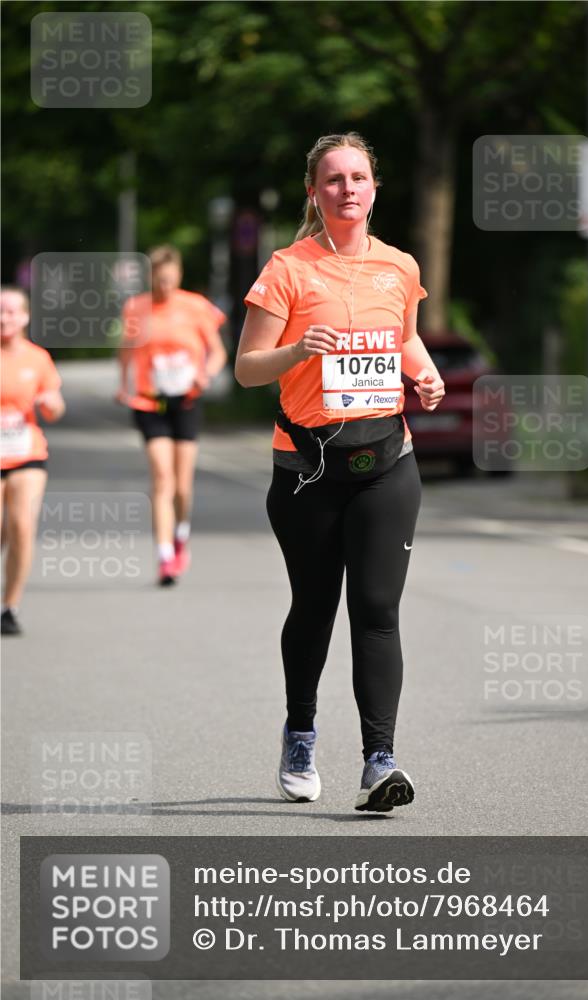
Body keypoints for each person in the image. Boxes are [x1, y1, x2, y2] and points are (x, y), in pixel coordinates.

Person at [236, 133, 445, 812]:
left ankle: (379, 761)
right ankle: (300, 734)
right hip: (307, 468)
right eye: (333, 179)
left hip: (387, 461)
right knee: (315, 606)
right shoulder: (287, 269)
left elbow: (404, 337)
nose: (347, 188)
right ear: (314, 193)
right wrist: (299, 348)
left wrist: (426, 373)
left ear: (374, 189)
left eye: (358, 177)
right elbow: (247, 369)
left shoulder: (399, 266)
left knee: (377, 610)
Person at [117, 245, 227, 586]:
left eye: (169, 278)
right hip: (150, 401)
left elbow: (218, 353)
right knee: (162, 478)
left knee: (182, 485)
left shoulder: (195, 306)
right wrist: (123, 385)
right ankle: (165, 556)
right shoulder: (136, 308)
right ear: (151, 277)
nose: (164, 285)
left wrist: (205, 374)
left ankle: (181, 535)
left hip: (187, 400)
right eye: (158, 278)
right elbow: (126, 350)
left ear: (178, 275)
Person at [1, 286, 65, 636]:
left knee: (22, 526)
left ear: (25, 317)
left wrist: (52, 405)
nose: (4, 318)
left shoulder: (37, 358)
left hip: (27, 453)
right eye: (0, 311)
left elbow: (54, 404)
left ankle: (9, 607)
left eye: (11, 311)